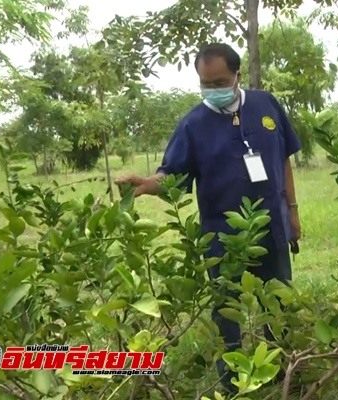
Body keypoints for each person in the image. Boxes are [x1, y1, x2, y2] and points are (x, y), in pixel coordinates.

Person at [116, 43, 302, 393]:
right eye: (205, 83)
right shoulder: (193, 124)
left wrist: (292, 212)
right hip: (222, 238)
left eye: (219, 81)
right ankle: (231, 385)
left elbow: (285, 160)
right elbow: (171, 174)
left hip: (272, 228)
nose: (212, 89)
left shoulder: (266, 105)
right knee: (226, 313)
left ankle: (288, 376)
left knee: (279, 304)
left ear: (237, 76)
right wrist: (144, 184)